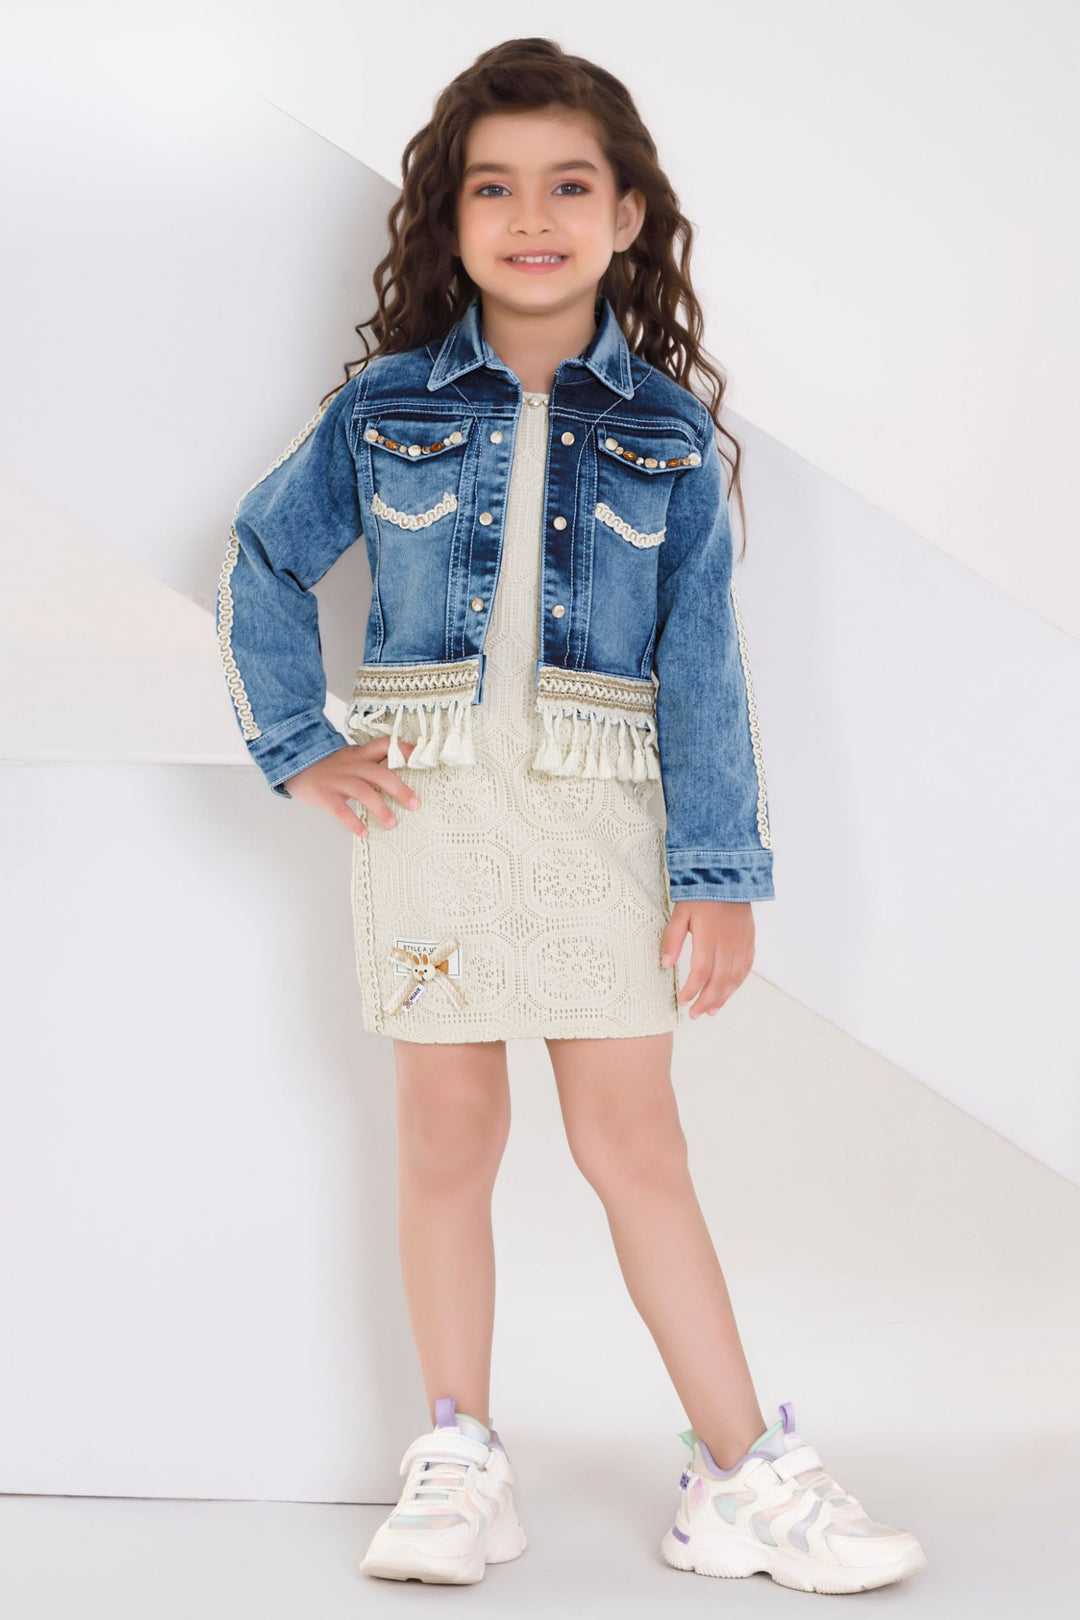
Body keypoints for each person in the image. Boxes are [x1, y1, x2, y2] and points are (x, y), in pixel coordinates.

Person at [217, 36, 927, 1596]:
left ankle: (739, 1474)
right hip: (430, 819)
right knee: (445, 1133)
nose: (531, 216)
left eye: (568, 185)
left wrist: (719, 870)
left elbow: (704, 667)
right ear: (449, 216)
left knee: (635, 1141)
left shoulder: (665, 433)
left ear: (626, 215)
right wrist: (298, 744)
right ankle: (459, 1456)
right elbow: (262, 559)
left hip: (605, 826)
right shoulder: (382, 409)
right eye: (494, 187)